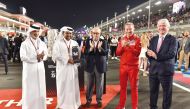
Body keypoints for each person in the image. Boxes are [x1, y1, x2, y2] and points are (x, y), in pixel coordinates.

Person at [146, 19, 178, 109]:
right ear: (157, 27)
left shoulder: (173, 39)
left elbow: (171, 54)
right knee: (153, 92)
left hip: (166, 71)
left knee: (167, 94)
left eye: (163, 25)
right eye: (159, 25)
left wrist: (156, 56)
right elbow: (149, 52)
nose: (161, 27)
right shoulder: (154, 39)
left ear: (168, 27)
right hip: (153, 70)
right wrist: (147, 54)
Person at [52, 26, 81, 109]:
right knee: (62, 86)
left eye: (70, 33)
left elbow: (78, 54)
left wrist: (77, 59)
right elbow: (55, 55)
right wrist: (67, 60)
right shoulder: (57, 43)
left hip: (73, 69)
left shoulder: (75, 43)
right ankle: (62, 105)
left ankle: (74, 103)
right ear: (63, 33)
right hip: (62, 69)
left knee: (73, 86)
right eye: (67, 33)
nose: (69, 34)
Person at [20, 23, 48, 109]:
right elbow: (22, 57)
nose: (36, 33)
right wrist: (35, 58)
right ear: (30, 32)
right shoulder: (24, 44)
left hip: (40, 69)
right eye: (34, 31)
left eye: (37, 31)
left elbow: (46, 54)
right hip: (30, 71)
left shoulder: (42, 43)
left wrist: (42, 57)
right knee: (30, 90)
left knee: (41, 89)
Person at [116, 22, 141, 109]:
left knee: (134, 88)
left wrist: (129, 46)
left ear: (133, 29)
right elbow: (117, 53)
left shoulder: (137, 39)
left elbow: (137, 53)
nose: (128, 31)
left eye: (130, 29)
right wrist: (122, 46)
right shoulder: (122, 39)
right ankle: (122, 105)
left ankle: (134, 107)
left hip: (133, 67)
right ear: (124, 29)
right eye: (127, 29)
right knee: (123, 87)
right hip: (123, 67)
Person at [85, 27, 108, 108]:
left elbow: (105, 53)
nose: (95, 35)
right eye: (94, 33)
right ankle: (88, 100)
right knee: (89, 85)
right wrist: (91, 48)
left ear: (100, 34)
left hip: (100, 66)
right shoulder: (88, 41)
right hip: (90, 66)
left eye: (97, 33)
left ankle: (99, 100)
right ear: (92, 33)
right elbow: (85, 53)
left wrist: (99, 48)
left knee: (99, 85)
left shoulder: (104, 41)